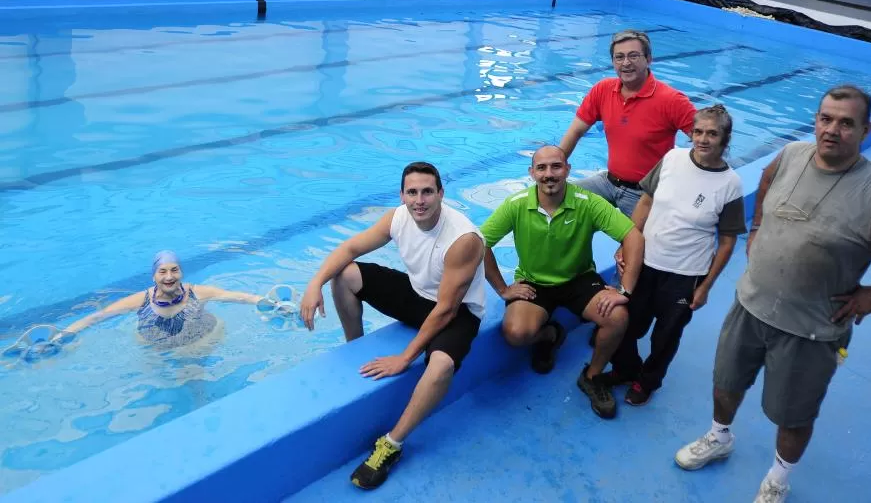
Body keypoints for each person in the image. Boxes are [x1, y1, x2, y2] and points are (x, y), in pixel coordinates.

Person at [673, 85, 871, 503]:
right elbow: (767, 180)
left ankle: (778, 478)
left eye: (846, 123)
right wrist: (757, 228)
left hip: (811, 330)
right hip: (750, 305)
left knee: (794, 416)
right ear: (815, 120)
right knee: (725, 384)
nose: (832, 130)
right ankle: (719, 437)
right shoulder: (791, 154)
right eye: (826, 119)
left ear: (866, 130)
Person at [299, 161, 487, 491]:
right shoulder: (397, 217)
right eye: (412, 192)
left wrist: (405, 358)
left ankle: (392, 444)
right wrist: (315, 283)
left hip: (457, 312)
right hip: (418, 295)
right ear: (402, 195)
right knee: (344, 274)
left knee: (441, 366)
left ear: (441, 193)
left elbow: (445, 311)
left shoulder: (461, 239)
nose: (419, 200)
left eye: (427, 192)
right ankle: (354, 345)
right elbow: (350, 248)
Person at [479, 145, 645, 419]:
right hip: (534, 282)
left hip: (578, 278)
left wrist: (624, 290)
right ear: (532, 173)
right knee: (515, 334)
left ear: (567, 170)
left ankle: (592, 376)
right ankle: (551, 335)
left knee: (617, 317)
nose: (549, 174)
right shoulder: (516, 204)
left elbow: (633, 237)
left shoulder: (587, 202)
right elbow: (479, 243)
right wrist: (502, 288)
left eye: (556, 166)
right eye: (541, 168)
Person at [607, 104, 746, 406]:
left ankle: (647, 382)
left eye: (712, 134)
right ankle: (625, 369)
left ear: (725, 139)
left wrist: (705, 286)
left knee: (666, 336)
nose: (703, 139)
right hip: (645, 262)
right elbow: (645, 202)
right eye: (698, 132)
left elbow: (726, 241)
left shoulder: (730, 184)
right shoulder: (672, 159)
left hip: (685, 274)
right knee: (628, 321)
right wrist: (626, 243)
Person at [559, 29, 697, 217]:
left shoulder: (672, 100)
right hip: (608, 182)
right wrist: (554, 169)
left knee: (636, 237)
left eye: (633, 56)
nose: (626, 63)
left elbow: (706, 141)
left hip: (643, 194)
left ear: (648, 59)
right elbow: (575, 131)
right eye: (619, 57)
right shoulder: (603, 89)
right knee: (554, 197)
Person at [63, 250, 263, 349]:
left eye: (174, 270)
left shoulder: (198, 292)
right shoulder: (140, 300)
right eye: (162, 271)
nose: (169, 277)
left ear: (181, 273)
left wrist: (267, 301)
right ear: (153, 276)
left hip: (201, 341)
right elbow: (99, 317)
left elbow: (236, 296)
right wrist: (63, 336)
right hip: (156, 347)